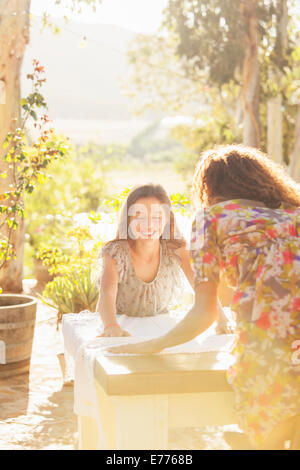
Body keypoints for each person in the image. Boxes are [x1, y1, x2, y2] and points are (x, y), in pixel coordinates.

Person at [106, 146, 300, 450]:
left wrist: (153, 344)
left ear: (209, 186)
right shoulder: (293, 212)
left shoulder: (213, 218)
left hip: (269, 354)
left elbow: (204, 312)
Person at [96, 183, 231, 338]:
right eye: (139, 216)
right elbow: (107, 293)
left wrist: (221, 319)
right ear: (128, 219)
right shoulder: (115, 252)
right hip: (121, 323)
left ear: (167, 219)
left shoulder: (175, 248)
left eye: (157, 217)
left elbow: (201, 286)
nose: (148, 224)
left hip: (159, 324)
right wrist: (111, 326)